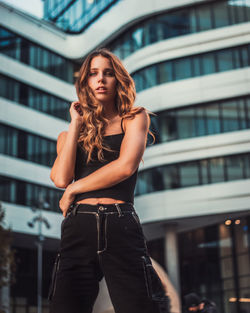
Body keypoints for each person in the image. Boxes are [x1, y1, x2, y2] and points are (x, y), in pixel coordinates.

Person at [48, 48, 169, 313]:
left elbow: (125, 167)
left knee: (141, 306)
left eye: (108, 73)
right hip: (78, 226)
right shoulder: (68, 135)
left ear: (118, 80)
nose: (100, 79)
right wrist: (76, 125)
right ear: (86, 83)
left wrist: (75, 189)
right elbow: (60, 178)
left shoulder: (135, 118)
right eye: (93, 74)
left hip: (120, 223)